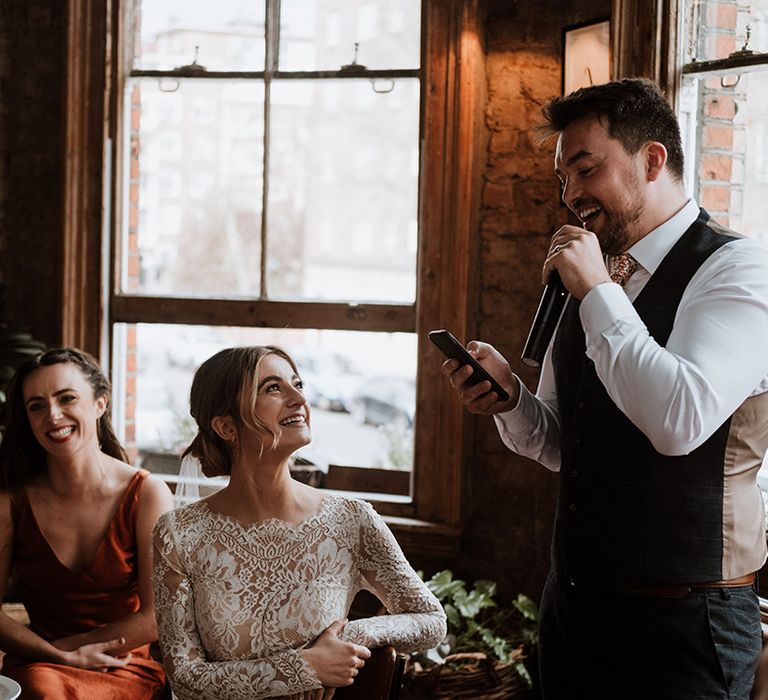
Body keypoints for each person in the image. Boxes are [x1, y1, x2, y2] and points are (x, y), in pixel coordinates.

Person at [442, 78, 768, 699]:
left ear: (652, 160)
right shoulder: (595, 277)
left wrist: (596, 292)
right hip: (573, 610)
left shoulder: (737, 269)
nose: (572, 196)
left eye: (585, 170)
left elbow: (678, 421)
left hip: (684, 622)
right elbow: (570, 443)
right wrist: (512, 400)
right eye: (563, 180)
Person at [152, 345, 447, 700]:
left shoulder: (351, 520)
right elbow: (184, 677)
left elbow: (431, 620)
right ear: (226, 426)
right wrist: (305, 667)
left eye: (298, 384)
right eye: (272, 388)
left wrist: (351, 637)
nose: (298, 398)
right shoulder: (179, 534)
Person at [0, 347, 174, 698]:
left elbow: (156, 617)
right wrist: (58, 655)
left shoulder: (147, 493)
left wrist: (71, 650)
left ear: (100, 404)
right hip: (39, 664)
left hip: (122, 667)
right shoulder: (11, 501)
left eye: (66, 398)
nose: (53, 414)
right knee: (40, 687)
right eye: (37, 406)